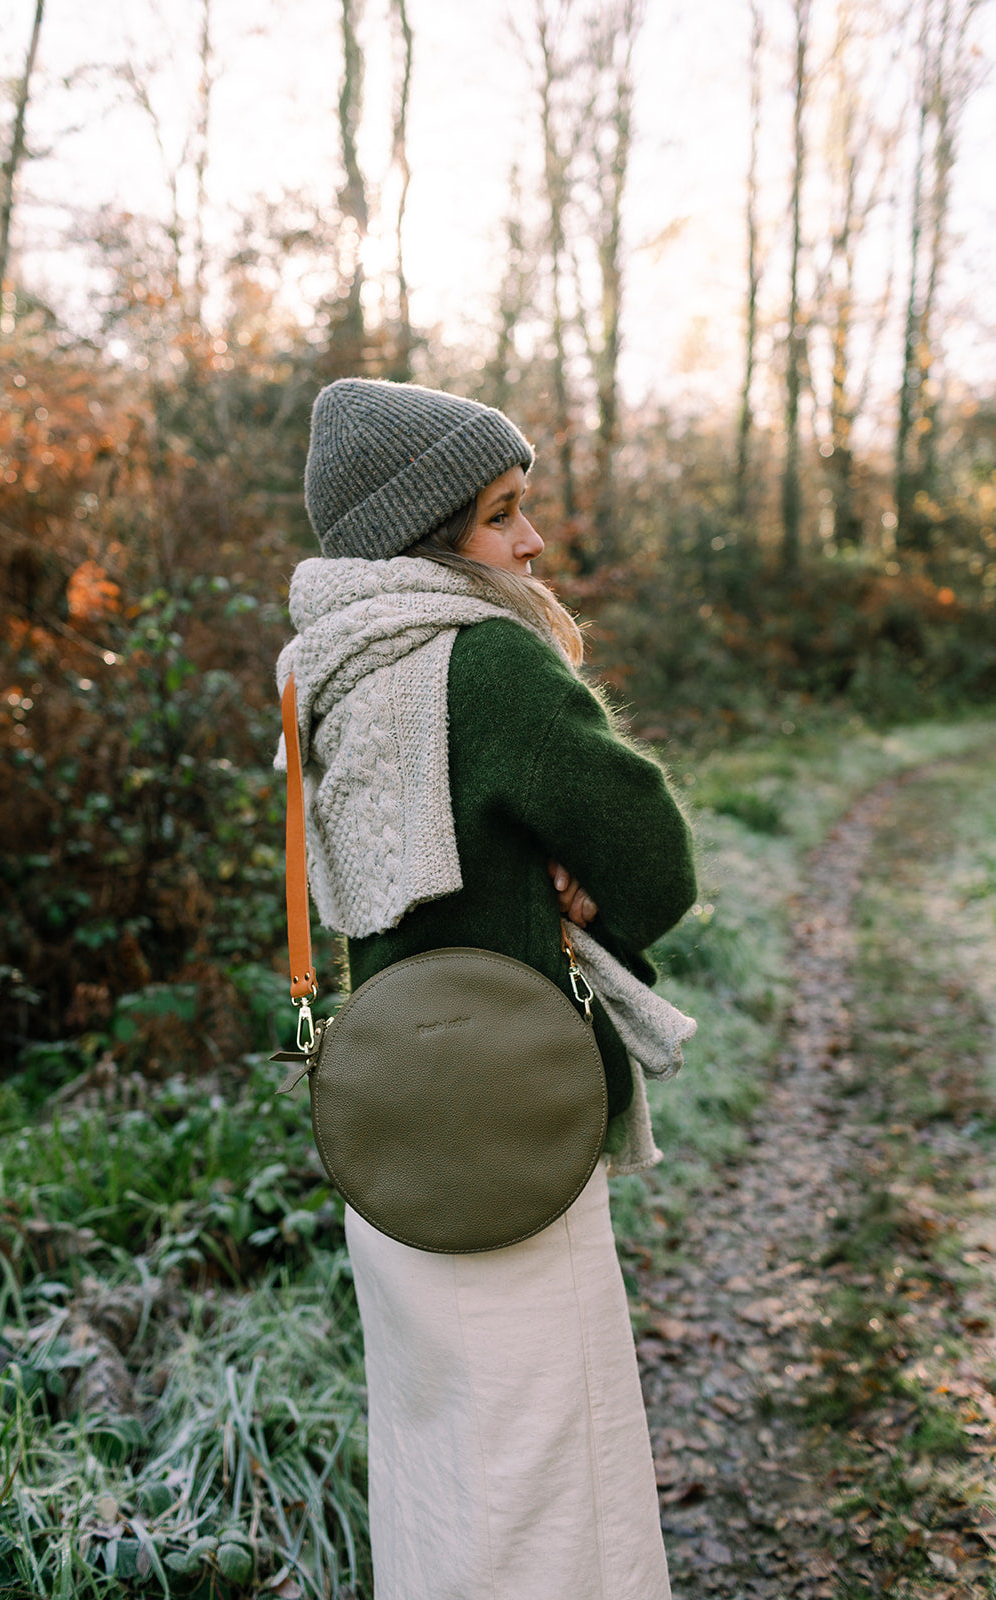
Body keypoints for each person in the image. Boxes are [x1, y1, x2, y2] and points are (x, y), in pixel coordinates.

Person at [275, 377, 697, 1600]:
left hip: (390, 1127)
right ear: (425, 536)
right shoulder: (487, 662)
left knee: (438, 1452)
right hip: (514, 1114)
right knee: (545, 1459)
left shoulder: (322, 670)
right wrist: (593, 893)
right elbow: (651, 854)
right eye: (502, 515)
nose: (530, 541)